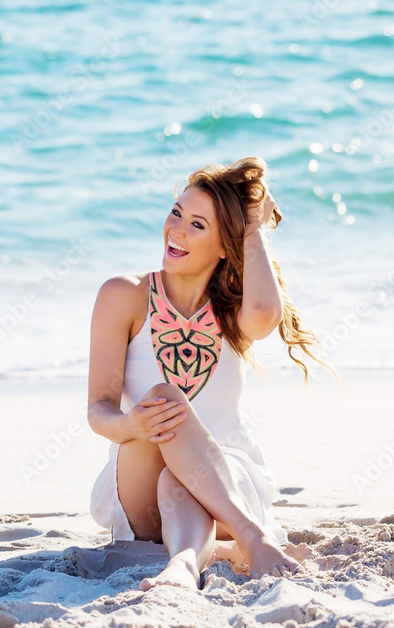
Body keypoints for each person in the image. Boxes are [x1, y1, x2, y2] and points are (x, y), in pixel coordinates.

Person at [87, 156, 335, 591]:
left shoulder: (233, 311)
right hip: (140, 482)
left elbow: (265, 313)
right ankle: (245, 541)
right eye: (177, 213)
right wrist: (131, 424)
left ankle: (185, 563)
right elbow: (98, 410)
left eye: (198, 225)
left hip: (228, 479)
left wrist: (253, 227)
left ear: (225, 245)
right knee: (164, 403)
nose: (176, 230)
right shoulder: (122, 295)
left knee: (178, 476)